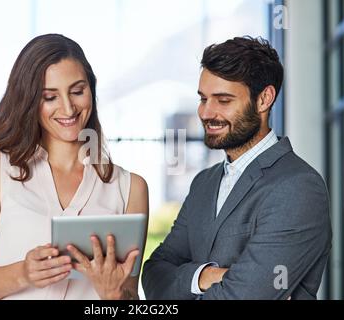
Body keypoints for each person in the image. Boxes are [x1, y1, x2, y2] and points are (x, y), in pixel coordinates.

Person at [0, 34, 149, 300]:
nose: (68, 108)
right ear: (30, 100)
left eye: (78, 91)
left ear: (91, 89)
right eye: (50, 97)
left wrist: (114, 295)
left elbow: (130, 295)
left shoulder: (129, 188)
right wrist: (22, 274)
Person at [142, 36, 332, 300]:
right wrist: (205, 276)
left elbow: (244, 296)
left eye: (223, 100)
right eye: (203, 98)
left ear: (264, 99)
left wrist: (186, 280)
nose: (206, 113)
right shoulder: (203, 183)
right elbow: (154, 274)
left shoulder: (297, 187)